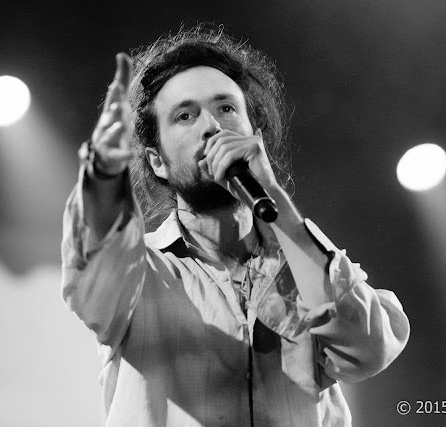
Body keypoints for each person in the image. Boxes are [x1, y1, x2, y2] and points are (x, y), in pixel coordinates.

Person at [61, 25, 409, 426]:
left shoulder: (305, 264)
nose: (211, 126)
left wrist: (276, 201)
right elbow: (94, 260)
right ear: (156, 161)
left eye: (226, 108)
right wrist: (104, 174)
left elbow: (368, 348)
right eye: (185, 115)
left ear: (254, 137)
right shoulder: (139, 273)